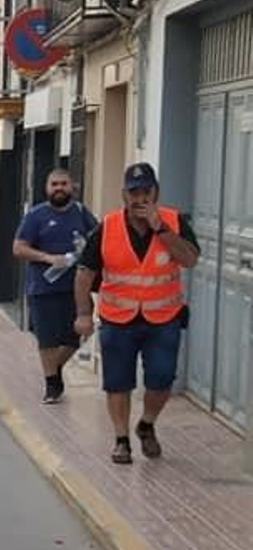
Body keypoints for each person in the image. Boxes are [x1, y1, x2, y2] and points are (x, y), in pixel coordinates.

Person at [74, 161, 200, 464]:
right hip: (118, 321)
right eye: (133, 192)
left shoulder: (175, 221)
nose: (139, 198)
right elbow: (84, 274)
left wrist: (162, 230)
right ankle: (121, 440)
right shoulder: (107, 227)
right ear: (123, 195)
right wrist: (83, 314)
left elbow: (190, 259)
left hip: (164, 318)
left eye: (145, 191)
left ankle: (146, 424)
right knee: (118, 382)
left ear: (155, 192)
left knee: (161, 379)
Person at [13, 168, 99, 402]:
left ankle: (54, 368)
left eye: (64, 183)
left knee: (78, 336)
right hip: (44, 288)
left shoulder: (81, 212)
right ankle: (52, 384)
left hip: (77, 288)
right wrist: (49, 258)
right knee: (48, 339)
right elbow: (18, 248)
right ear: (47, 188)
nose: (59, 188)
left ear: (72, 187)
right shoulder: (35, 216)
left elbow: (98, 240)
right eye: (54, 184)